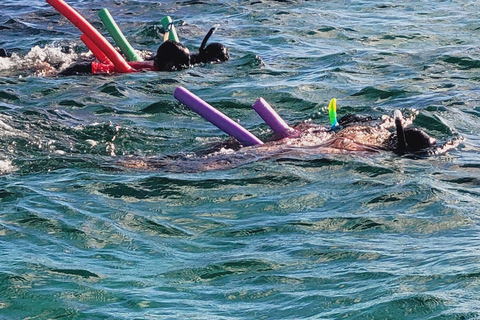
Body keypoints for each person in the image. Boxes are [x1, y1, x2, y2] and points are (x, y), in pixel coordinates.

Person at [60, 28, 229, 75]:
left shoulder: (154, 64)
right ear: (170, 65)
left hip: (90, 67)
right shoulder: (148, 70)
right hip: (86, 70)